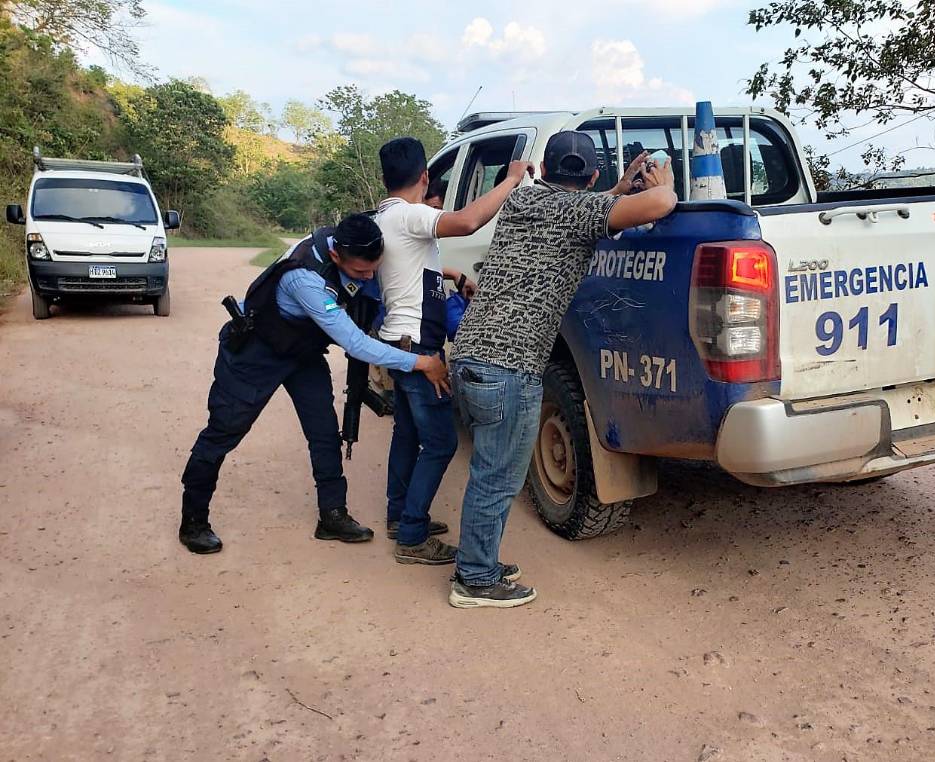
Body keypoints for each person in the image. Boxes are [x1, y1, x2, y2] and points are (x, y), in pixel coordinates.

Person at [446, 132, 677, 608]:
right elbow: (660, 205)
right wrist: (663, 182)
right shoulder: (582, 212)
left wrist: (619, 190)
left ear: (546, 171)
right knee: (497, 478)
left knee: (490, 471)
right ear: (591, 177)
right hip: (509, 366)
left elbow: (579, 209)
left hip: (471, 355)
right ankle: (475, 579)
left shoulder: (522, 200)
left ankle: (478, 561)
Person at [178, 214, 449, 554]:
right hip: (255, 352)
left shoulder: (353, 243)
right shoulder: (304, 278)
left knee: (324, 431)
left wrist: (450, 274)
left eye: (374, 269)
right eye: (361, 272)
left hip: (302, 350)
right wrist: (422, 362)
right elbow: (356, 343)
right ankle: (194, 521)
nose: (369, 278)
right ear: (336, 255)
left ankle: (332, 516)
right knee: (224, 431)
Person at [375, 137, 533, 566]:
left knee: (407, 434)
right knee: (441, 443)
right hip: (418, 350)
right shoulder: (410, 214)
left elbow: (413, 266)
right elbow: (466, 222)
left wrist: (453, 275)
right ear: (425, 177)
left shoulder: (386, 216)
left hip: (398, 341)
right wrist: (511, 180)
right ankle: (412, 537)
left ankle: (399, 516)